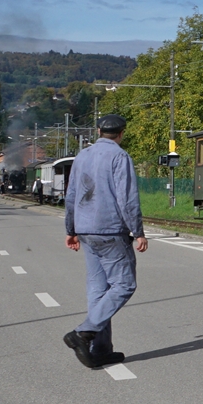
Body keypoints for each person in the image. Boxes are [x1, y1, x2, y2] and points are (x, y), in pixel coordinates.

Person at [62, 114, 148, 369]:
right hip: (111, 231)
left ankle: (99, 350)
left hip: (86, 230)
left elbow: (71, 195)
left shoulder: (82, 156)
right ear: (122, 133)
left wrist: (71, 229)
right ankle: (83, 333)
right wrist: (138, 231)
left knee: (98, 290)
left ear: (98, 131)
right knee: (124, 285)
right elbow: (127, 198)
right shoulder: (120, 157)